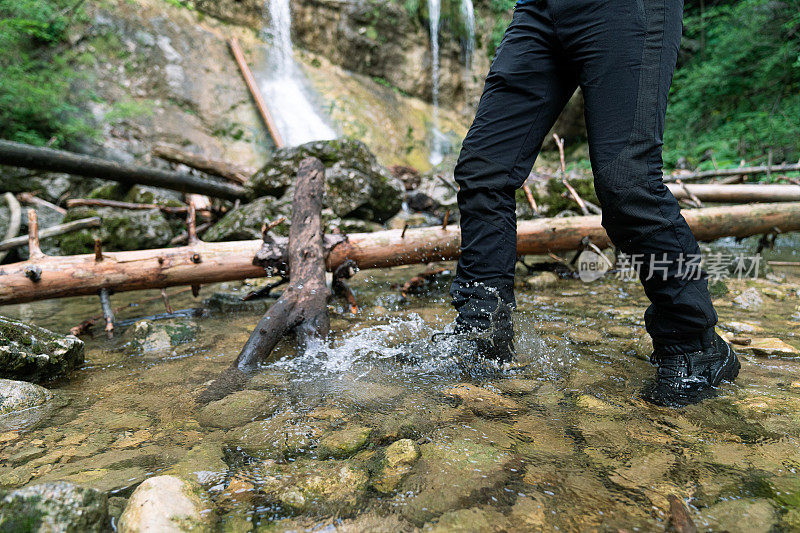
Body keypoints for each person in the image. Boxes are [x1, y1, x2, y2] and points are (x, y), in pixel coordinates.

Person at [445, 0, 739, 406]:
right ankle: (482, 334)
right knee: (483, 171)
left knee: (627, 184)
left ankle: (695, 345)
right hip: (540, 8)